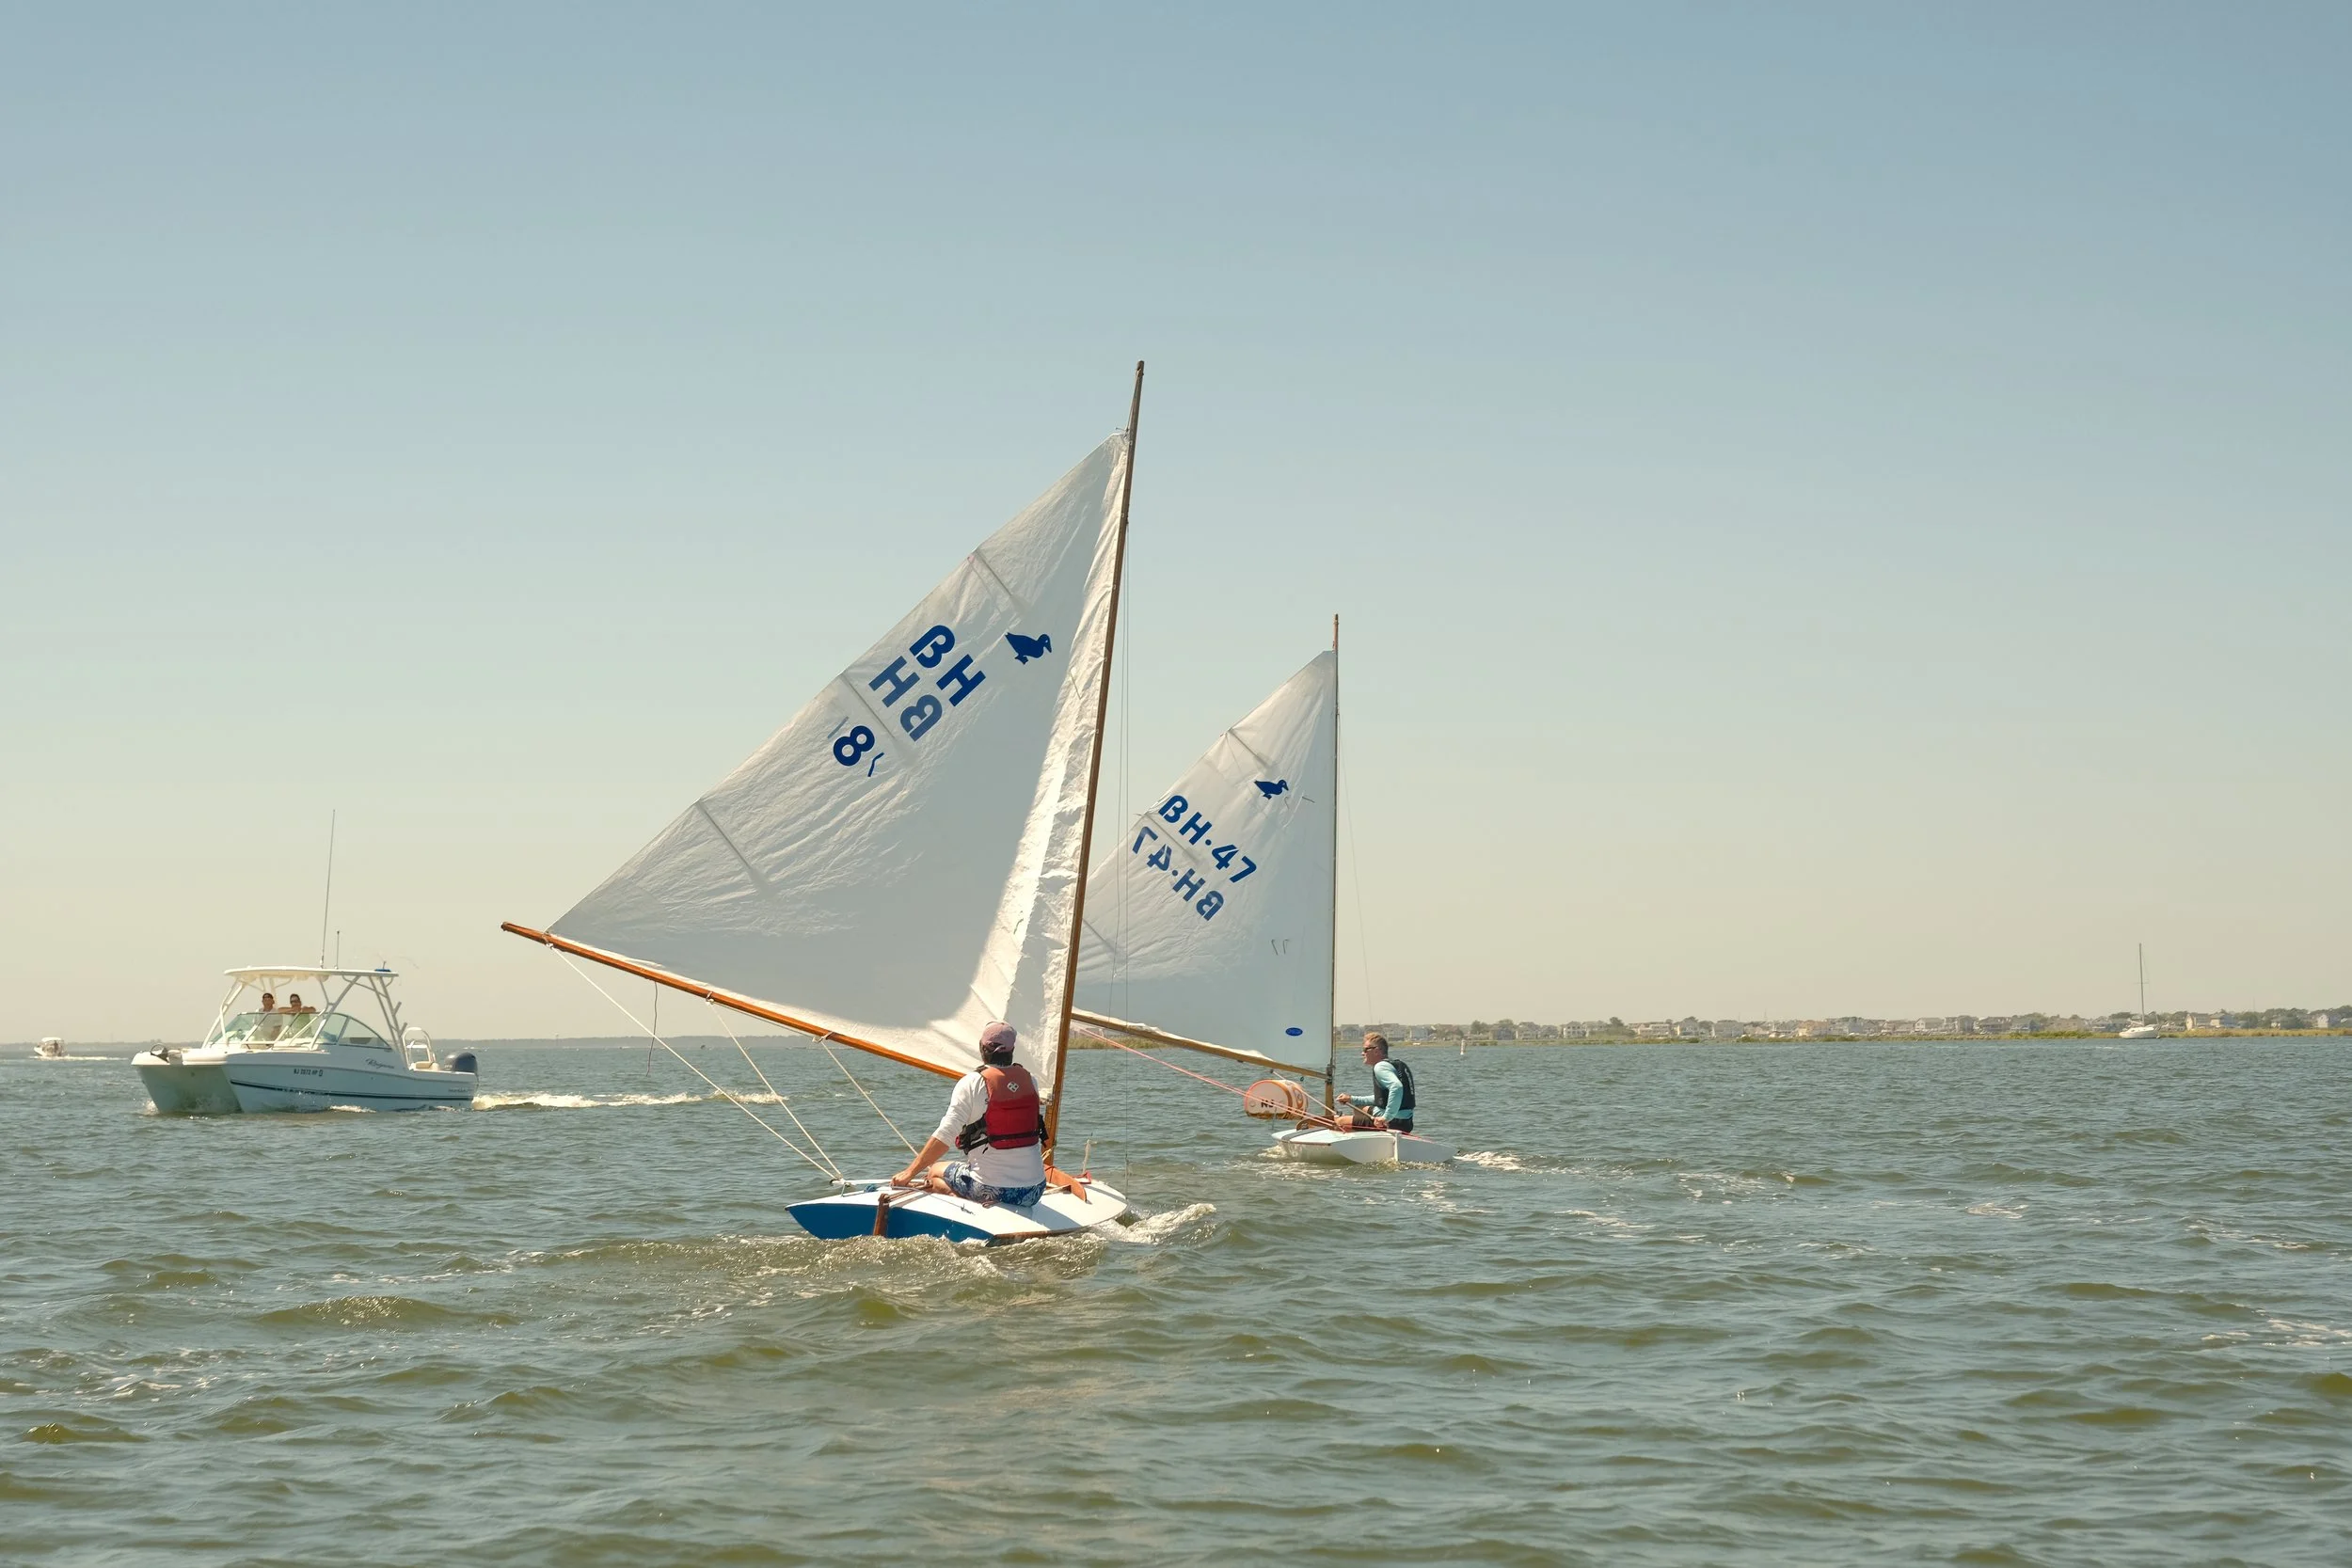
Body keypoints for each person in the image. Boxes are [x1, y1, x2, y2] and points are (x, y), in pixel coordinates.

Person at [890, 1021, 1049, 1207]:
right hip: (1034, 1190)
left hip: (991, 1190)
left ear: (982, 1047)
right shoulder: (1030, 1080)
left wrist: (909, 1173)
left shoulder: (972, 1082)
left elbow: (945, 1134)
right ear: (1012, 1049)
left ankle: (968, 1205)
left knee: (934, 1172)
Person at [1332, 1032, 1415, 1132]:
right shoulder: (1394, 1064)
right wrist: (1352, 1099)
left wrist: (1386, 1118)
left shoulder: (1380, 1067)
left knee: (1340, 1122)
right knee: (1359, 1107)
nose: (1362, 1053)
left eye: (1365, 1050)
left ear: (1376, 1051)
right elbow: (1381, 1098)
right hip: (1407, 1122)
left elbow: (1396, 1087)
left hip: (1394, 1122)